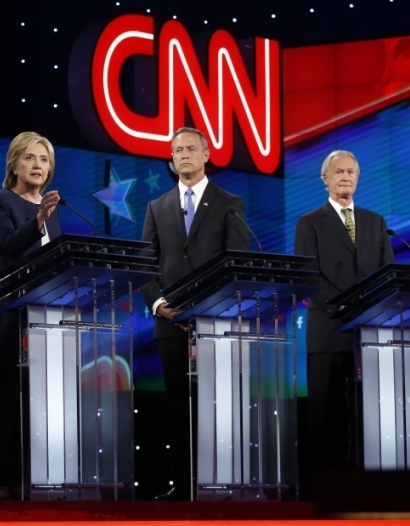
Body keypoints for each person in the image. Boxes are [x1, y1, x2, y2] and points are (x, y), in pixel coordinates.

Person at [141, 127, 249, 500]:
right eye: (177, 150)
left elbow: (236, 264)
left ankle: (221, 483)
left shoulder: (229, 202)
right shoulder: (157, 207)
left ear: (206, 154)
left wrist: (210, 306)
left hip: (215, 323)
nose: (183, 154)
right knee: (179, 408)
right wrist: (158, 304)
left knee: (216, 406)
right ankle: (185, 487)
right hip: (171, 323)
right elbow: (145, 264)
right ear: (171, 160)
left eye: (190, 148)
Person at [0, 131, 62, 500]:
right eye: (29, 158)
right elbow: (6, 247)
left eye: (43, 159)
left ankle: (26, 482)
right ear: (14, 164)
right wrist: (38, 219)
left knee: (32, 408)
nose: (37, 165)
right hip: (5, 318)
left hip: (42, 320)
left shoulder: (51, 210)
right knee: (3, 404)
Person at [294, 150, 394, 490]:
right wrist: (346, 307)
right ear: (325, 178)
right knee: (327, 413)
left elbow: (387, 275)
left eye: (352, 172)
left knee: (366, 414)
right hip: (328, 329)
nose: (346, 177)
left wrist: (373, 311)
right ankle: (328, 488)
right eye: (339, 172)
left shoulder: (375, 222)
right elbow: (309, 276)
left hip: (368, 334)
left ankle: (365, 488)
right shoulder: (309, 222)